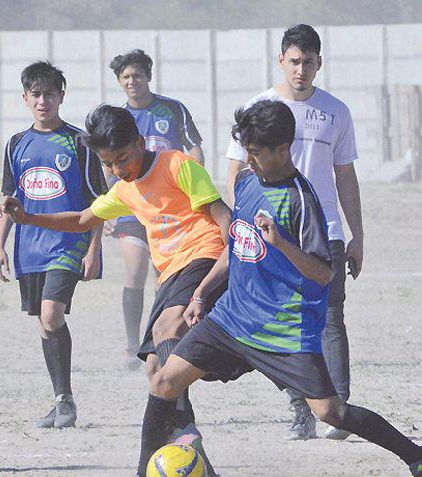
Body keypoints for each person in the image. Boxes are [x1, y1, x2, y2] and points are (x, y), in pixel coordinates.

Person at [136, 99, 422, 477]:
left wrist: (282, 243)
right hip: (232, 319)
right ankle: (144, 470)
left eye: (255, 153)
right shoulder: (246, 181)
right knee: (163, 381)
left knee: (330, 412)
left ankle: (414, 455)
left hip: (283, 330)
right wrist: (202, 292)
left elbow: (323, 273)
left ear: (283, 150)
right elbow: (237, 246)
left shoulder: (301, 200)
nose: (248, 161)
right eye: (246, 152)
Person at [0, 104, 230, 475]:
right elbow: (80, 218)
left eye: (122, 158)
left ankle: (186, 426)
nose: (118, 170)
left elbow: (223, 218)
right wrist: (26, 216)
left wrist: (222, 278)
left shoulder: (177, 166)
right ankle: (155, 465)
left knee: (167, 327)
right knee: (155, 372)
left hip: (203, 259)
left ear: (139, 142)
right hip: (170, 276)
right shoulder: (125, 189)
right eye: (108, 164)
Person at [226, 24, 364, 441]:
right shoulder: (259, 107)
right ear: (280, 61)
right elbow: (235, 171)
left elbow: (346, 177)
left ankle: (336, 407)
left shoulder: (336, 112)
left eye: (308, 61)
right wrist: (242, 226)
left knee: (330, 317)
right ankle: (298, 406)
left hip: (325, 231)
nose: (300, 69)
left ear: (319, 63)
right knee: (281, 318)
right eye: (293, 61)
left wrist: (357, 235)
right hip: (272, 234)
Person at [0, 61, 107, 429]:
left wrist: (94, 248)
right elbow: (9, 200)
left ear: (62, 97)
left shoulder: (79, 142)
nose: (44, 101)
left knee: (51, 315)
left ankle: (65, 402)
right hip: (29, 249)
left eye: (50, 94)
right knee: (43, 325)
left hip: (68, 244)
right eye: (36, 94)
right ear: (25, 98)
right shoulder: (16, 144)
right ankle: (62, 400)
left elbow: (98, 201)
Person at [108, 49, 206, 370]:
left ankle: (161, 342)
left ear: (148, 76)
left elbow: (194, 148)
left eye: (137, 75)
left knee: (162, 278)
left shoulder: (172, 109)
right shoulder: (118, 119)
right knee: (135, 268)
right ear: (119, 82)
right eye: (125, 77)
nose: (132, 81)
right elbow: (107, 169)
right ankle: (130, 344)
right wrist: (108, 208)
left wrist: (194, 190)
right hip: (133, 209)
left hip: (171, 209)